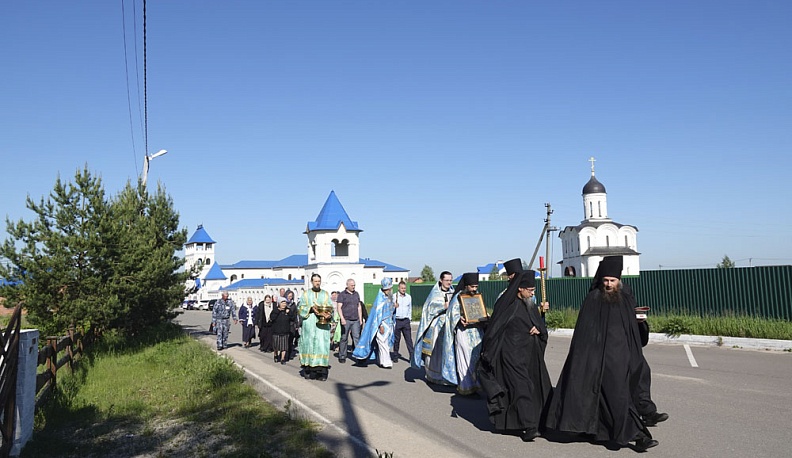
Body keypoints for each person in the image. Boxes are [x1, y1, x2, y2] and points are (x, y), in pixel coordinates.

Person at [545, 256, 659, 452]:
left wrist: (639, 322)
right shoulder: (593, 299)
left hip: (623, 357)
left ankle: (597, 430)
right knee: (619, 398)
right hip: (599, 360)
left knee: (614, 398)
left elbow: (631, 329)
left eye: (612, 281)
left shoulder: (624, 299)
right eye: (605, 280)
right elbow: (584, 335)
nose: (608, 284)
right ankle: (638, 437)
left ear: (619, 280)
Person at [478, 270, 552, 442]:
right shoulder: (507, 305)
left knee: (533, 387)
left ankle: (535, 421)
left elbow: (540, 325)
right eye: (530, 290)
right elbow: (494, 330)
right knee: (522, 388)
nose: (532, 293)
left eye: (533, 289)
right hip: (510, 355)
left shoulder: (529, 304)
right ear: (520, 289)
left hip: (529, 356)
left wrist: (539, 329)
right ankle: (529, 426)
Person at [441, 272, 484, 395]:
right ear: (466, 286)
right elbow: (451, 315)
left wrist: (485, 317)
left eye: (476, 287)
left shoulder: (477, 297)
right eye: (472, 287)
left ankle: (476, 386)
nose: (474, 289)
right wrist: (459, 319)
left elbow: (480, 311)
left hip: (476, 332)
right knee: (464, 359)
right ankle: (466, 388)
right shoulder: (458, 297)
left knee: (475, 360)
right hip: (463, 333)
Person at [412, 271, 454, 385]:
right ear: (441, 280)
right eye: (447, 280)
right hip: (435, 327)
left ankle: (447, 376)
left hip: (448, 327)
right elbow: (429, 309)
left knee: (446, 351)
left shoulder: (453, 293)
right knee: (434, 352)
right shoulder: (435, 294)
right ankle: (433, 376)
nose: (449, 282)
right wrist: (442, 306)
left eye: (450, 280)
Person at [353, 277, 396, 368]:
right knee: (382, 343)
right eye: (389, 289)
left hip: (389, 324)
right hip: (382, 325)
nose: (390, 290)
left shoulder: (389, 298)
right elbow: (378, 315)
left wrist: (394, 306)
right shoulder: (380, 300)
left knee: (385, 344)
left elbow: (390, 310)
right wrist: (380, 325)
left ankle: (381, 360)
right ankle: (386, 362)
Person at [298, 274, 334, 381]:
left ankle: (322, 372)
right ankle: (308, 370)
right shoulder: (306, 294)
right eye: (315, 281)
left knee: (322, 345)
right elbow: (300, 308)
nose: (317, 283)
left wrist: (328, 314)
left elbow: (330, 307)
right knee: (308, 344)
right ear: (311, 282)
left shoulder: (325, 294)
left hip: (322, 326)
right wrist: (310, 308)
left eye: (319, 281)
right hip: (309, 324)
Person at [336, 279, 363, 363]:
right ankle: (342, 355)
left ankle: (359, 356)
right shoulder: (342, 295)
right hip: (346, 319)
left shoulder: (356, 294)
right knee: (344, 338)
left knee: (357, 337)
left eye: (354, 285)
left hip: (355, 320)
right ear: (347, 285)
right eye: (352, 285)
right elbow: (339, 307)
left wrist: (360, 318)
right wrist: (342, 318)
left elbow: (359, 306)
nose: (353, 287)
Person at [391, 280, 414, 363]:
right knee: (397, 340)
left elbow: (410, 308)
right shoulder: (394, 297)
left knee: (409, 340)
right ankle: (395, 355)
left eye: (404, 288)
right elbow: (389, 309)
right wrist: (394, 306)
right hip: (397, 320)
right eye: (402, 288)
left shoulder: (408, 297)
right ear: (398, 288)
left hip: (405, 321)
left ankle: (412, 356)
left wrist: (409, 318)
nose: (403, 290)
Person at [270, 297, 296, 364]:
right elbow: (272, 318)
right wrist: (278, 311)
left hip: (285, 331)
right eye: (282, 303)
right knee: (276, 346)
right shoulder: (275, 310)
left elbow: (293, 318)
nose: (284, 304)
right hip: (276, 331)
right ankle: (276, 355)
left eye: (285, 303)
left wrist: (289, 313)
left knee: (284, 346)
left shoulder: (288, 310)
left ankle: (282, 358)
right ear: (279, 303)